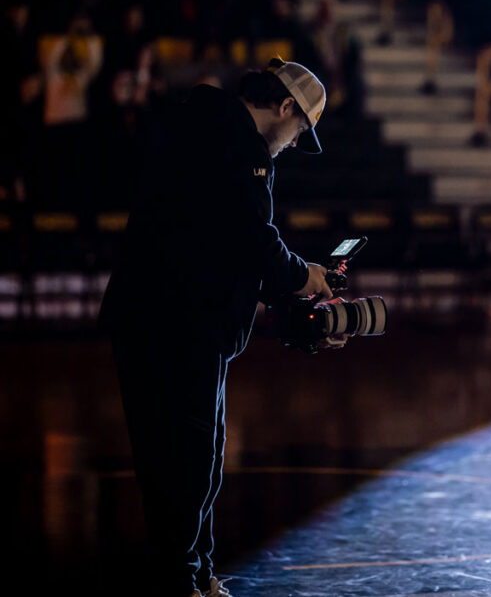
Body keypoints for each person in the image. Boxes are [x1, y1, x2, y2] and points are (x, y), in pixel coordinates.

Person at [99, 59, 338, 597]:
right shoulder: (238, 145)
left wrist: (287, 295)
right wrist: (306, 278)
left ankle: (197, 575)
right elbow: (255, 239)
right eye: (301, 129)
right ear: (284, 108)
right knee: (185, 463)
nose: (295, 143)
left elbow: (223, 241)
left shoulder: (203, 125)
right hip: (177, 325)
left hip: (165, 319)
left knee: (189, 458)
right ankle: (183, 581)